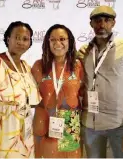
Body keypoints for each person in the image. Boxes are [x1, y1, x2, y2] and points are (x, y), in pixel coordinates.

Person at [77, 5, 123, 158]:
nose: (102, 25)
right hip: (89, 126)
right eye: (97, 21)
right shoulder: (82, 51)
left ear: (113, 23)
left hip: (120, 125)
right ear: (91, 24)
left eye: (107, 20)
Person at [0, 21, 41, 158]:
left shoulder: (26, 68)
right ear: (8, 38)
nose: (21, 42)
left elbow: (30, 101)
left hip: (24, 137)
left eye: (25, 39)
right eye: (17, 37)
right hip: (0, 136)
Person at [31, 24, 84, 158]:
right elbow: (30, 97)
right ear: (47, 42)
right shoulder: (38, 66)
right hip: (44, 119)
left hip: (69, 121)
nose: (57, 43)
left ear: (69, 42)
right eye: (53, 39)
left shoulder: (78, 66)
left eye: (62, 39)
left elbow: (83, 95)